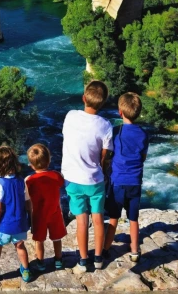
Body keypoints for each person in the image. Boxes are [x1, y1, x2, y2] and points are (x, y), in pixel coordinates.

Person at [61, 80, 113, 273]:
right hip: (95, 180)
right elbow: (104, 156)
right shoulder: (106, 125)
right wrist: (102, 171)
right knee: (98, 219)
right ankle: (98, 258)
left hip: (73, 179)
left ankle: (83, 260)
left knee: (82, 221)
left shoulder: (70, 116)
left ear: (84, 98)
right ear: (103, 103)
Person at [103, 92, 148, 262]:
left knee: (114, 218)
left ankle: (106, 249)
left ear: (120, 112)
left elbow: (108, 155)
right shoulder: (144, 134)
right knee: (133, 219)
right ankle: (135, 251)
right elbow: (142, 157)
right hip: (135, 182)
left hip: (118, 183)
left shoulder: (116, 132)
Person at [0, 145, 32, 284]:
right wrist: (31, 221)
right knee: (20, 246)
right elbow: (28, 203)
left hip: (5, 226)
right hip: (20, 224)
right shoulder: (21, 181)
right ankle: (26, 271)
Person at [26, 143, 67, 272]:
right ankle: (58, 259)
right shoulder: (57, 176)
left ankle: (40, 262)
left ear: (31, 165)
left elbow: (27, 198)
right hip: (55, 212)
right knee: (56, 238)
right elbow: (61, 182)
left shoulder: (29, 180)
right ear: (49, 160)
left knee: (39, 240)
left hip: (38, 215)